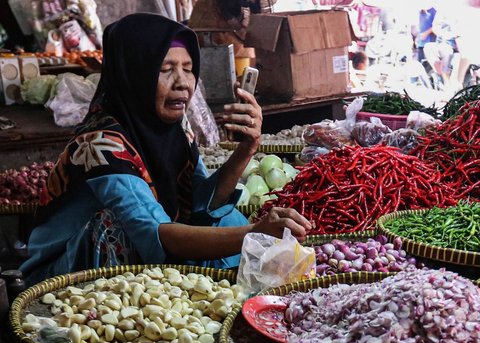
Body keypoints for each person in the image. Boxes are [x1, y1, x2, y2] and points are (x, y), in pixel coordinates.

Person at [21, 13, 310, 286]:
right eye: (165, 69)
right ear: (134, 75)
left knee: (228, 217)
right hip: (61, 274)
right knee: (114, 227)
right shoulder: (99, 143)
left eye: (188, 69)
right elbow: (155, 232)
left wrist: (246, 149)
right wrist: (252, 233)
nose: (183, 83)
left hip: (140, 249)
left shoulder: (175, 129)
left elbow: (199, 203)